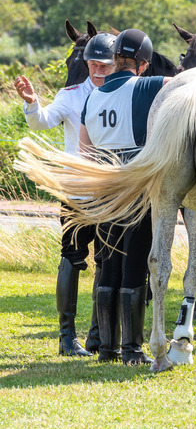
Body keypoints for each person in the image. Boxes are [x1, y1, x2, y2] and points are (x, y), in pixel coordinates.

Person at [15, 32, 116, 356]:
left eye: (105, 65)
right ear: (85, 63)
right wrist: (32, 103)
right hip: (76, 194)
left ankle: (98, 336)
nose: (99, 71)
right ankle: (66, 337)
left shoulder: (121, 95)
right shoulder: (70, 95)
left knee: (106, 262)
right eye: (93, 64)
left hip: (112, 193)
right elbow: (42, 123)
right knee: (72, 260)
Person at [79, 29, 170, 365]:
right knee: (135, 266)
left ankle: (107, 347)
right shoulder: (148, 85)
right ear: (143, 63)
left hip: (103, 187)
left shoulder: (93, 97)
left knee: (108, 267)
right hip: (136, 186)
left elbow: (84, 150)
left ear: (114, 58)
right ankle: (132, 349)